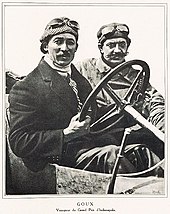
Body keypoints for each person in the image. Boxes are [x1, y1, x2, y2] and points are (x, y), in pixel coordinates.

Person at [8, 17, 124, 174]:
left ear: (76, 47)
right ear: (45, 46)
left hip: (90, 147)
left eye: (70, 42)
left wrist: (126, 111)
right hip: (59, 158)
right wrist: (66, 134)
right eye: (58, 41)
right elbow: (20, 142)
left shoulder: (78, 79)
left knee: (140, 150)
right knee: (114, 155)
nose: (65, 48)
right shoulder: (27, 87)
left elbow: (93, 114)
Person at [75, 22, 165, 170]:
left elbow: (155, 103)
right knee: (114, 156)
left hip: (124, 141)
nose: (117, 50)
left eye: (122, 45)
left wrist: (164, 129)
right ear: (101, 48)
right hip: (88, 142)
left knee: (149, 156)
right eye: (111, 45)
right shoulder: (83, 69)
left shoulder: (137, 77)